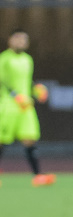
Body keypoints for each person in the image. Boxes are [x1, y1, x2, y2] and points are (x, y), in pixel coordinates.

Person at [0, 29, 56, 187]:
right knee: (2, 140)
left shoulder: (27, 60)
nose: (21, 42)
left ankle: (38, 175)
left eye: (24, 39)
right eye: (17, 38)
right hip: (8, 105)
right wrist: (15, 96)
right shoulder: (4, 59)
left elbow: (27, 81)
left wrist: (36, 89)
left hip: (26, 106)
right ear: (10, 40)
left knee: (30, 139)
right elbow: (2, 82)